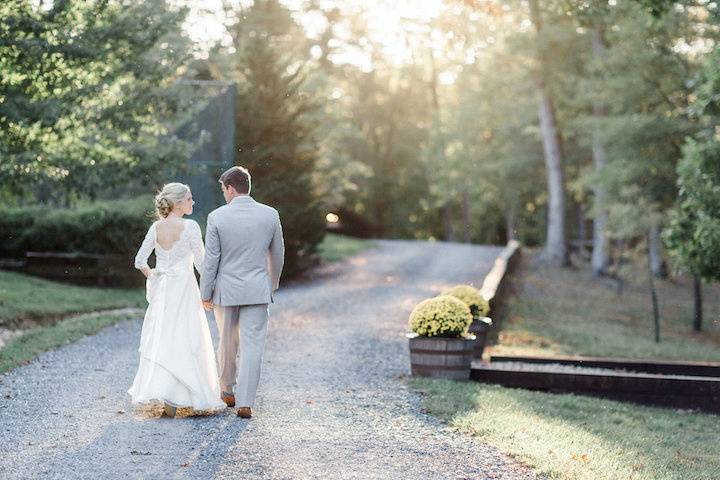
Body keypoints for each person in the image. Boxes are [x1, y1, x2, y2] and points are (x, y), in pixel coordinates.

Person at [128, 183, 225, 417]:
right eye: (190, 199)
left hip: (164, 289)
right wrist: (210, 291)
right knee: (186, 336)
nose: (193, 203)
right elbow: (201, 265)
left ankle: (167, 399)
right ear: (178, 203)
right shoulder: (190, 227)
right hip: (184, 288)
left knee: (164, 337)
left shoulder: (156, 227)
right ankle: (185, 396)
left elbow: (140, 261)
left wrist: (154, 276)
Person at [200, 166, 285, 419]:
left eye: (224, 190)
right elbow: (278, 255)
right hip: (258, 290)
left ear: (230, 188)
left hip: (227, 291)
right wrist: (272, 283)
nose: (224, 194)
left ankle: (227, 389)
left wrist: (205, 292)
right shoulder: (270, 215)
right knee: (253, 346)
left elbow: (211, 260)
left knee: (227, 343)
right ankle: (246, 402)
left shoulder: (217, 217)